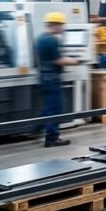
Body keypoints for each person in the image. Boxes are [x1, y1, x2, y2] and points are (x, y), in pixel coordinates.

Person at [37, 12, 80, 147]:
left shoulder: (40, 38)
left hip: (44, 76)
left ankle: (38, 128)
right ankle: (52, 138)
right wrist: (76, 61)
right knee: (55, 109)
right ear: (55, 25)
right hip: (52, 78)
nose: (63, 28)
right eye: (61, 25)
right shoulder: (51, 40)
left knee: (48, 107)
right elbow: (58, 60)